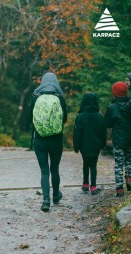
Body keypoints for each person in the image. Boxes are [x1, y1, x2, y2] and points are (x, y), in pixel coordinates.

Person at [30, 72, 67, 212]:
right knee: (55, 168)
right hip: (56, 140)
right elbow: (64, 119)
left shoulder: (35, 98)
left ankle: (46, 200)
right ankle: (56, 195)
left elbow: (30, 118)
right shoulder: (60, 99)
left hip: (40, 139)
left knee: (44, 171)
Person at [73, 93, 107, 195]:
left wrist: (76, 146)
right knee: (93, 165)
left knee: (85, 163)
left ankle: (85, 184)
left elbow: (77, 134)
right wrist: (103, 144)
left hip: (84, 145)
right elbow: (103, 133)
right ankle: (93, 186)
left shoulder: (80, 117)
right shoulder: (100, 117)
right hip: (96, 145)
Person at [104, 81, 131, 197]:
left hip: (118, 140)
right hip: (130, 139)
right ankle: (129, 179)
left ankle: (119, 189)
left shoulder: (112, 108)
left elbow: (108, 123)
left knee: (118, 164)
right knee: (129, 161)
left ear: (114, 93)